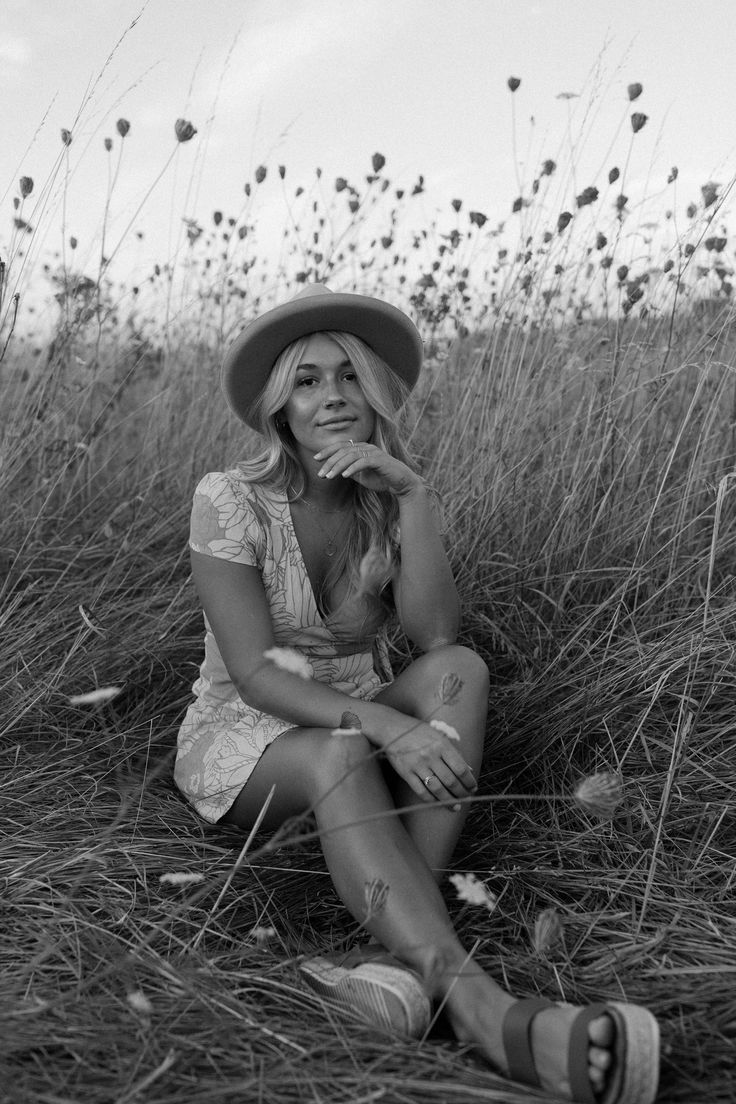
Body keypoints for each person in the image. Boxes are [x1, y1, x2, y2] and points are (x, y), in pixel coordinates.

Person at [175, 283, 659, 1103]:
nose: (332, 395)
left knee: (462, 669)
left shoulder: (381, 496)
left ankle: (393, 970)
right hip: (251, 738)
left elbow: (436, 642)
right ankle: (481, 1011)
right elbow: (256, 672)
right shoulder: (229, 499)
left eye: (349, 376)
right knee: (339, 750)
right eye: (306, 380)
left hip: (358, 723)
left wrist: (413, 498)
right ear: (278, 409)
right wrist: (385, 731)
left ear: (374, 392)